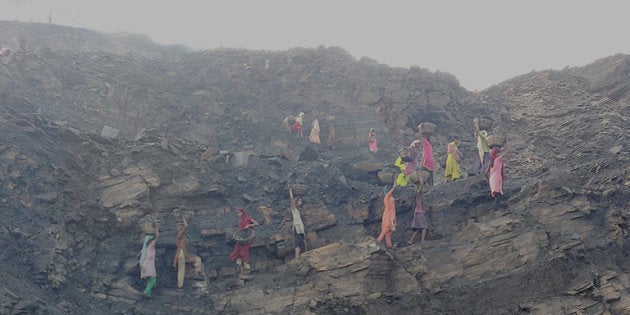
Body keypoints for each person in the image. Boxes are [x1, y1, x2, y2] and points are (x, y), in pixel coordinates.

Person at [173, 216, 203, 289]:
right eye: (179, 225)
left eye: (181, 225)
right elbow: (186, 226)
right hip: (181, 253)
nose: (181, 227)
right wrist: (184, 218)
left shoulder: (183, 236)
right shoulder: (179, 235)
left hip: (185, 253)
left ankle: (197, 274)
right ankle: (180, 285)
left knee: (198, 260)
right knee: (181, 268)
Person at [229, 208, 260, 273]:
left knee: (244, 250)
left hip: (248, 238)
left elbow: (257, 224)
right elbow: (240, 230)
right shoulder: (240, 221)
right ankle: (240, 262)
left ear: (243, 213)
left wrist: (249, 225)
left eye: (239, 213)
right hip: (241, 238)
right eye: (237, 213)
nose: (238, 215)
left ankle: (246, 264)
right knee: (237, 249)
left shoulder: (248, 218)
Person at [139, 227, 159, 297]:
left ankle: (149, 292)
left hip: (143, 264)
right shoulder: (151, 245)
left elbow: (140, 254)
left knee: (149, 279)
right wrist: (157, 227)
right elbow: (158, 236)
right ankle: (147, 292)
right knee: (153, 279)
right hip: (148, 264)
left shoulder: (145, 248)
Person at [288, 185, 307, 258]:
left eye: (301, 201)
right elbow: (292, 199)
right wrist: (290, 190)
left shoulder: (300, 210)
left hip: (301, 228)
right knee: (298, 241)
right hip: (297, 227)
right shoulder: (294, 208)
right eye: (299, 200)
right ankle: (297, 256)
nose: (300, 202)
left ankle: (302, 255)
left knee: (302, 241)